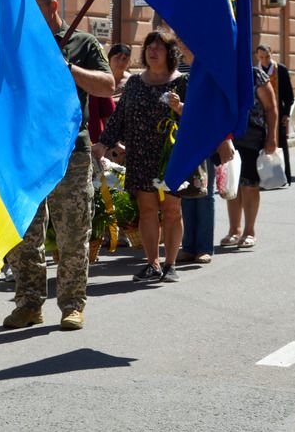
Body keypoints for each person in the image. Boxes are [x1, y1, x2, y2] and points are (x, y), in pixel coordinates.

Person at [4, 0, 113, 329]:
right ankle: (29, 303)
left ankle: (72, 304)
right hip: (28, 151)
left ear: (53, 8)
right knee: (25, 233)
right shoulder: (18, 44)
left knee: (73, 232)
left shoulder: (82, 43)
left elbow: (107, 85)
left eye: (34, 10)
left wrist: (70, 69)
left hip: (70, 151)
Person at [94, 30, 229, 283]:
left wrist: (180, 107)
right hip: (140, 156)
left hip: (173, 157)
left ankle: (170, 264)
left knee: (172, 210)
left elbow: (201, 118)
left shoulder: (183, 82)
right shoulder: (135, 83)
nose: (152, 51)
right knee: (147, 211)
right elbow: (119, 118)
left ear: (170, 53)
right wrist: (103, 143)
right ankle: (152, 263)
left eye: (158, 47)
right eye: (149, 47)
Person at [221, 65, 277, 249]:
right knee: (231, 184)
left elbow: (271, 108)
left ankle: (249, 231)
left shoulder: (255, 74)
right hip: (228, 135)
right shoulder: (224, 71)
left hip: (252, 135)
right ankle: (234, 230)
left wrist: (272, 137)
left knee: (249, 185)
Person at [177, 42, 216, 264]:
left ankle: (203, 247)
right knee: (185, 191)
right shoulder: (178, 66)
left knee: (204, 192)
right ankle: (188, 246)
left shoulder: (207, 68)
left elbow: (211, 106)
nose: (182, 46)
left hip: (204, 138)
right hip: (181, 138)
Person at [256, 44, 294, 185]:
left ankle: (283, 177)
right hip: (259, 117)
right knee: (261, 148)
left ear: (271, 53)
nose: (265, 60)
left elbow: (289, 95)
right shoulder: (255, 71)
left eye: (267, 56)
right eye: (261, 57)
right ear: (257, 56)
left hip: (279, 115)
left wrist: (286, 114)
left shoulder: (281, 70)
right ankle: (264, 178)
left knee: (281, 146)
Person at [88, 43, 131, 142]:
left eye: (125, 59)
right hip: (101, 134)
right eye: (117, 58)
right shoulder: (100, 80)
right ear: (109, 59)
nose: (121, 62)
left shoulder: (132, 81)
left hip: (125, 132)